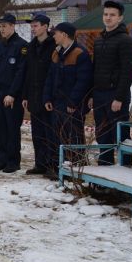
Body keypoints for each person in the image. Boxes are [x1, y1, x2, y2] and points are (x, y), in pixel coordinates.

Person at [90, 1, 132, 165]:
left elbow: (128, 72)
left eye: (112, 15)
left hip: (116, 95)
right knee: (102, 134)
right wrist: (91, 94)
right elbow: (94, 69)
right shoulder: (99, 39)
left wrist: (119, 97)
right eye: (106, 14)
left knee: (120, 135)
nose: (108, 18)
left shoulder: (126, 41)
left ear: (120, 18)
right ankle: (105, 168)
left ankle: (126, 169)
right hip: (99, 94)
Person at [43, 22, 93, 174]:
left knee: (74, 137)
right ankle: (58, 169)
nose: (54, 36)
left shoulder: (80, 53)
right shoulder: (56, 53)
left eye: (56, 33)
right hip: (57, 102)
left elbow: (83, 81)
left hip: (73, 105)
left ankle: (75, 170)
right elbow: (50, 78)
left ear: (64, 34)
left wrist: (73, 102)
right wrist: (47, 98)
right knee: (57, 137)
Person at [0, 14, 28, 173]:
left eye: (5, 26)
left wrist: (12, 93)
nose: (2, 29)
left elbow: (20, 73)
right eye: (0, 26)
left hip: (12, 95)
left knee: (12, 129)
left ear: (13, 26)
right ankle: (1, 158)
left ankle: (13, 160)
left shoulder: (22, 46)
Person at [22, 14, 56, 175]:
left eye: (36, 25)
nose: (33, 28)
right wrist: (25, 95)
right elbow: (27, 72)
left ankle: (52, 165)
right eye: (32, 26)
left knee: (50, 132)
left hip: (48, 95)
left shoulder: (54, 44)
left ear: (45, 26)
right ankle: (40, 163)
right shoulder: (31, 46)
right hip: (34, 95)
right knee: (37, 133)